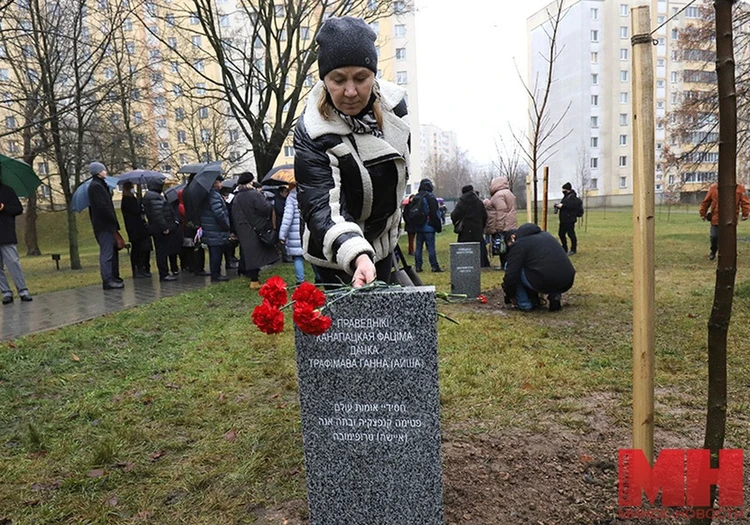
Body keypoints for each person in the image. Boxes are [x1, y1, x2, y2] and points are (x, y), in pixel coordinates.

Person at [293, 16, 411, 287]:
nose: (350, 91)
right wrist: (357, 254)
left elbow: (399, 178)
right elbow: (321, 208)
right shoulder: (313, 130)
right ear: (324, 80)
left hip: (382, 248)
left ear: (374, 75)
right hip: (335, 252)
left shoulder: (396, 108)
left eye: (361, 78)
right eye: (338, 80)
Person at [502, 223, 576, 312]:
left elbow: (511, 275)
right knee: (550, 267)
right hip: (566, 280)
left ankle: (524, 304)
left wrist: (510, 295)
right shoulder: (546, 235)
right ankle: (555, 296)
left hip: (544, 281)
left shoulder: (520, 244)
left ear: (513, 237)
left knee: (510, 266)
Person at [231, 172, 279, 288]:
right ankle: (254, 280)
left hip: (243, 229)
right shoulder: (254, 194)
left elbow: (234, 214)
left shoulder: (237, 197)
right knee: (257, 253)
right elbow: (265, 208)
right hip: (256, 228)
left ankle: (251, 277)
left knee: (250, 254)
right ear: (251, 181)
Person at [87, 162, 123, 290]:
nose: (105, 172)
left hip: (107, 225)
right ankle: (108, 280)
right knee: (107, 253)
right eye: (103, 170)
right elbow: (102, 207)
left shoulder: (101, 185)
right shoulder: (95, 187)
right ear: (98, 172)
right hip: (104, 226)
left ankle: (113, 277)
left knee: (112, 252)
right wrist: (112, 220)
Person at [0, 169, 32, 304]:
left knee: (13, 262)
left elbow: (18, 209)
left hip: (5, 233)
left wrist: (4, 207)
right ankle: (6, 292)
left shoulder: (7, 191)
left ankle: (23, 290)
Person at [699, 182, 750, 260]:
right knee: (714, 236)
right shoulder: (714, 188)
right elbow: (706, 202)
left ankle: (728, 255)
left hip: (731, 218)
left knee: (729, 238)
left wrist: (745, 213)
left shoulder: (740, 188)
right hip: (716, 218)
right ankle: (713, 251)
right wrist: (703, 213)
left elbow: (745, 202)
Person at [143, 177, 180, 282]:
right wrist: (164, 227)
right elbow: (158, 214)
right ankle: (164, 274)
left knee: (161, 251)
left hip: (156, 228)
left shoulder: (152, 196)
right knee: (162, 252)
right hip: (160, 229)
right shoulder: (155, 198)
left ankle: (164, 273)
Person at [199, 175, 231, 282]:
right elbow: (219, 213)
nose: (221, 184)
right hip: (216, 229)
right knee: (216, 253)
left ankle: (216, 274)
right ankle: (216, 275)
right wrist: (226, 224)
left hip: (210, 228)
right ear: (215, 183)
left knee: (215, 252)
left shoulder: (207, 194)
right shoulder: (214, 196)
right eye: (220, 182)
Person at [451, 184, 489, 267]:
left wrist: (457, 223)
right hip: (477, 228)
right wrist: (481, 226)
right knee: (480, 246)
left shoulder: (461, 202)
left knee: (464, 247)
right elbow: (485, 216)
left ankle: (465, 262)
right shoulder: (478, 202)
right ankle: (483, 263)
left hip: (465, 229)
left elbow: (454, 215)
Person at [484, 176, 517, 267]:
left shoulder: (498, 195)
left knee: (502, 247)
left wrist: (498, 227)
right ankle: (509, 264)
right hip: (511, 224)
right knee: (509, 245)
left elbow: (501, 211)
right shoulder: (509, 193)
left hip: (503, 226)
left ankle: (504, 265)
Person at [120, 181, 152, 278]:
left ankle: (141, 268)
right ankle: (138, 269)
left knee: (140, 248)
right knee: (137, 249)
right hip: (135, 228)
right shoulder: (127, 200)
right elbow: (136, 211)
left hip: (136, 228)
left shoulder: (130, 199)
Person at [412, 178, 444, 273]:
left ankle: (418, 266)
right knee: (430, 248)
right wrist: (437, 226)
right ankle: (434, 266)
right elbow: (435, 213)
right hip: (429, 226)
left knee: (418, 248)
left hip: (419, 226)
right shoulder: (431, 197)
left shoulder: (417, 197)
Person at [279, 183, 305, 284]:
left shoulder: (291, 197)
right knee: (311, 256)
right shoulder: (308, 193)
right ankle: (319, 278)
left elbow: (287, 218)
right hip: (307, 231)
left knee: (298, 257)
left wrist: (282, 235)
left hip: (296, 232)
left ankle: (300, 280)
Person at [554, 182, 584, 255]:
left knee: (571, 234)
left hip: (569, 220)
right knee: (561, 234)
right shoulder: (566, 197)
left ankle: (573, 249)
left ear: (567, 190)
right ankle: (564, 248)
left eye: (563, 189)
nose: (562, 191)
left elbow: (570, 206)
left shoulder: (572, 197)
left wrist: (562, 206)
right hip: (564, 220)